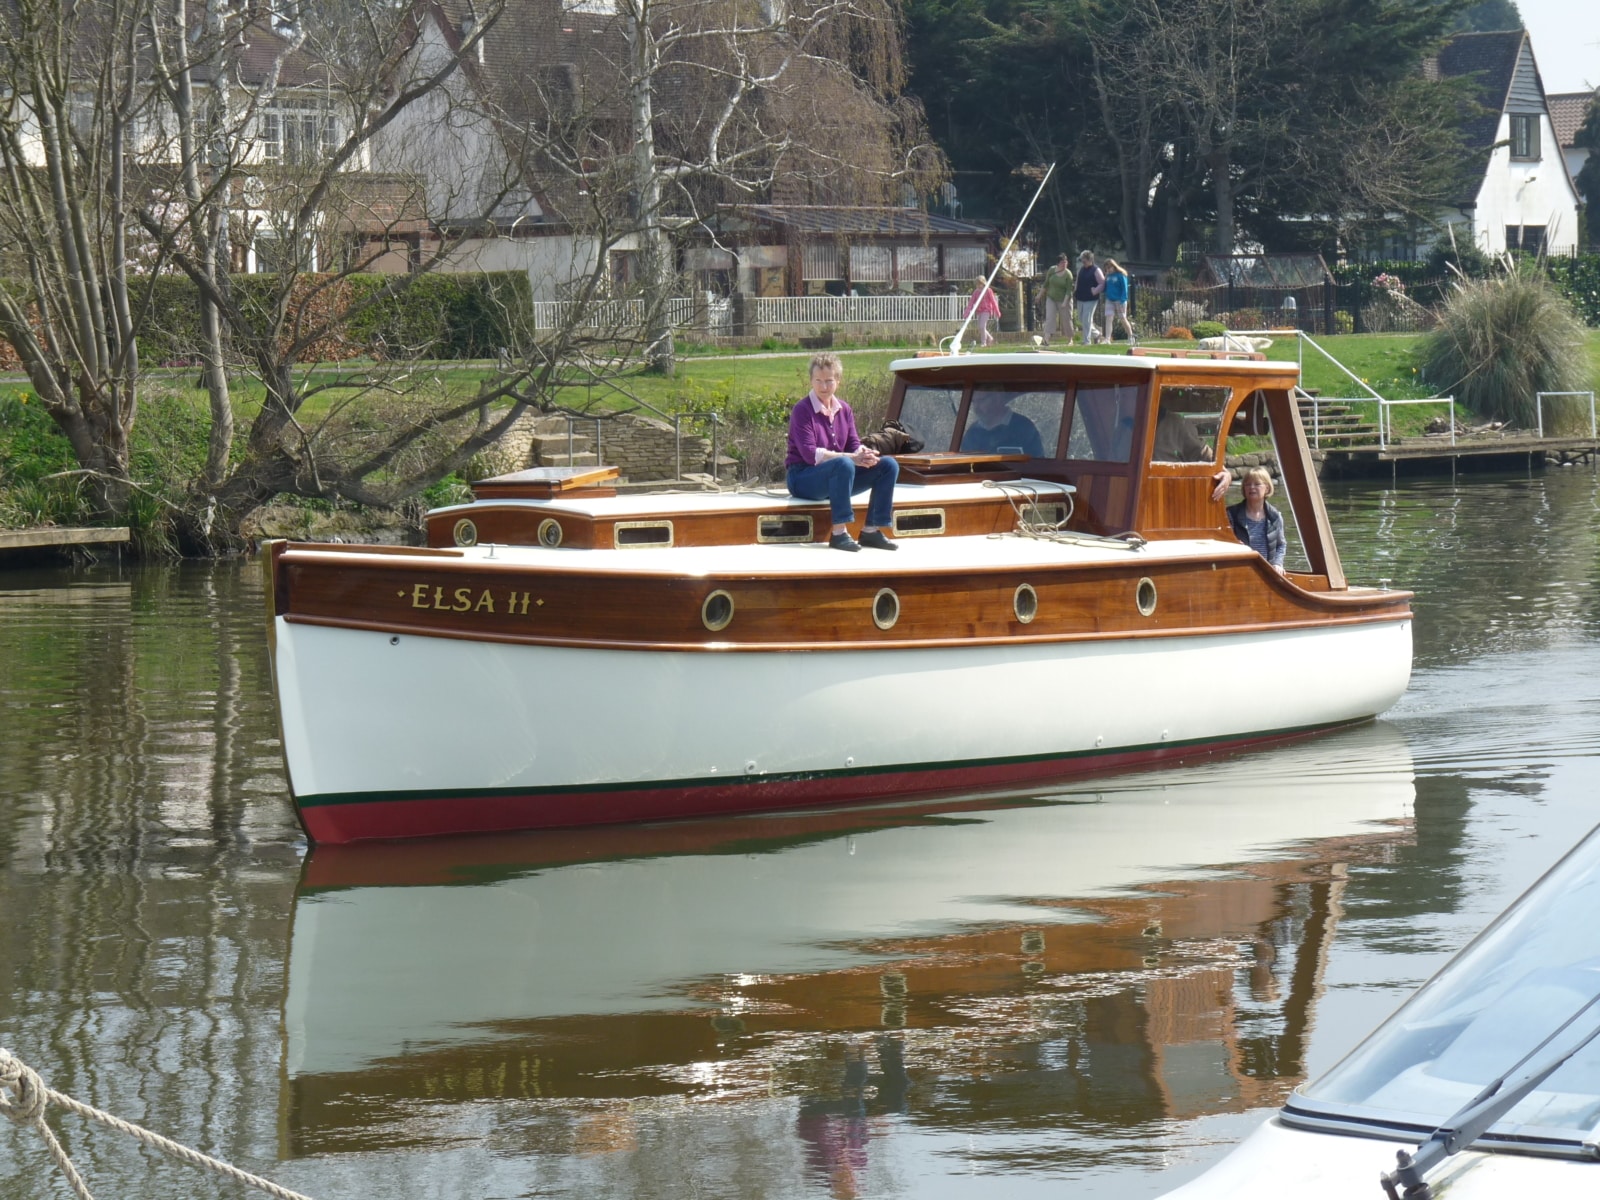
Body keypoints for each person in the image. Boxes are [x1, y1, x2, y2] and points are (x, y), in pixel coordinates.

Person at [785, 353, 900, 552]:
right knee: (844, 464)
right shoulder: (802, 410)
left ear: (838, 380)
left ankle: (871, 530)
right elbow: (810, 455)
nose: (823, 387)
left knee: (888, 465)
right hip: (802, 477)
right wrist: (852, 458)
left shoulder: (844, 409)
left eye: (829, 381)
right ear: (811, 380)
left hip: (837, 474)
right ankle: (839, 534)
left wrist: (864, 454)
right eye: (818, 381)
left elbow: (853, 443)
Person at [1227, 466, 1286, 573]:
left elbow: (1281, 545)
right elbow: (1224, 542)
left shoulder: (1275, 516)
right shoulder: (1231, 514)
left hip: (1267, 573)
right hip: (1239, 570)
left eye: (1257, 484)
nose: (1251, 487)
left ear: (1267, 488)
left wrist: (1277, 564)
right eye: (1248, 484)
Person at [960, 391, 1045, 458]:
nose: (976, 408)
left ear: (997, 398)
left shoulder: (1024, 427)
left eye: (981, 401)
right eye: (974, 402)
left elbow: (1039, 465)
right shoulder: (973, 432)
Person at [1039, 253, 1074, 345]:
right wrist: (1039, 295)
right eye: (1062, 262)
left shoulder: (1068, 274)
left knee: (1066, 318)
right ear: (1058, 263)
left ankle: (1070, 339)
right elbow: (1046, 284)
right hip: (1051, 297)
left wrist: (1064, 302)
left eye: (1066, 262)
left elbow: (1068, 290)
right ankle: (1046, 339)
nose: (1065, 264)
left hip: (1064, 299)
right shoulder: (1052, 270)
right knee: (1050, 317)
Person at [1073, 251, 1104, 346]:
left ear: (1090, 260)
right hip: (1080, 297)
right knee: (1081, 319)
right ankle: (1097, 334)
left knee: (1086, 319)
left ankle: (1086, 341)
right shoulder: (1081, 269)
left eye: (1084, 260)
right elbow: (1078, 281)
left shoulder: (1096, 270)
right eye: (1082, 260)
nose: (1083, 262)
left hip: (1091, 298)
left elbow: (1102, 283)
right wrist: (1075, 291)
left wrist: (1095, 291)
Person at [1101, 259, 1134, 343]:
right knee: (1109, 318)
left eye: (1109, 267)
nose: (1108, 270)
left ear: (1114, 266)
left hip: (1120, 300)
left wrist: (1123, 299)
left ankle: (1130, 336)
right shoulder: (1108, 276)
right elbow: (1105, 287)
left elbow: (1124, 288)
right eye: (1106, 268)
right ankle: (1107, 339)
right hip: (1109, 299)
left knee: (1122, 318)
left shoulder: (1121, 275)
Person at [966, 277, 1001, 347]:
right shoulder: (976, 292)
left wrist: (997, 311)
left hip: (986, 310)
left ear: (983, 283)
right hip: (979, 311)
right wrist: (967, 312)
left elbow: (993, 301)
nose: (978, 286)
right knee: (980, 327)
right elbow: (971, 302)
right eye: (977, 284)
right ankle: (990, 338)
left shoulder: (988, 290)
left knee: (982, 326)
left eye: (980, 284)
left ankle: (983, 342)